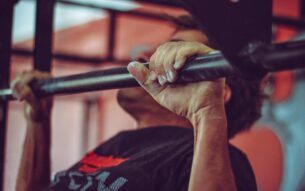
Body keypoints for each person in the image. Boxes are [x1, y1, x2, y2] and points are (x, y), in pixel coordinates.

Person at [11, 15, 262, 191]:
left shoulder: (223, 161)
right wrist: (39, 124)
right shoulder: (119, 144)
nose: (144, 57)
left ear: (220, 91)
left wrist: (208, 112)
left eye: (171, 54)